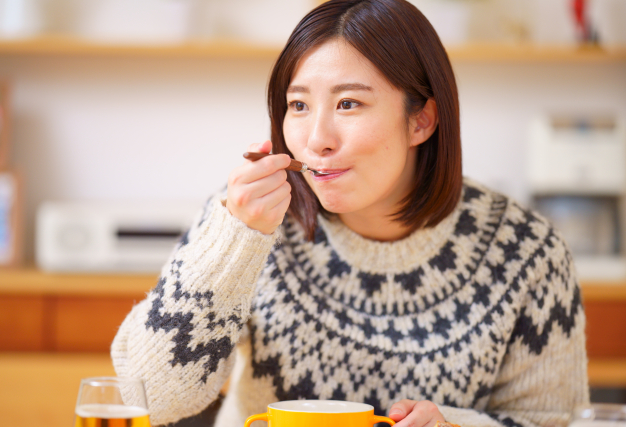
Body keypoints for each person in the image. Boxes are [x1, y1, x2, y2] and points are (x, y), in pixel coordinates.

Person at [111, 1, 589, 426]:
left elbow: (553, 420)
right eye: (297, 105)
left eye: (348, 103)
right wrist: (235, 238)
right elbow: (147, 400)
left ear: (420, 120)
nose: (317, 137)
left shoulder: (528, 252)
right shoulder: (245, 219)